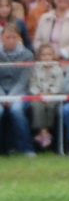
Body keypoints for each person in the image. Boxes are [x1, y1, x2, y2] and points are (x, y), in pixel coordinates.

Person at [0, 25, 34, 155]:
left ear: (19, 38)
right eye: (7, 37)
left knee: (16, 110)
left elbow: (23, 80)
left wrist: (11, 97)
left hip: (19, 91)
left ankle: (27, 148)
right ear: (1, 38)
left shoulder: (27, 55)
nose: (11, 40)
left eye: (14, 37)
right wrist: (3, 96)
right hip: (1, 91)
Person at [27, 41, 62, 151]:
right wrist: (39, 94)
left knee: (51, 106)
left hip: (53, 96)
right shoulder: (35, 69)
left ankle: (46, 133)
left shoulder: (58, 69)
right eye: (43, 55)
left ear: (53, 56)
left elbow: (59, 85)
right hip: (38, 95)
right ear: (39, 56)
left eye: (49, 54)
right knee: (37, 106)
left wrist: (50, 94)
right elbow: (32, 85)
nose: (46, 57)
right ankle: (43, 132)